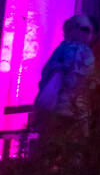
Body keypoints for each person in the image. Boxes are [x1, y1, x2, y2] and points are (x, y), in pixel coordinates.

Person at [31, 14, 96, 143]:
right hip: (70, 108)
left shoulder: (67, 49)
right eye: (84, 30)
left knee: (60, 145)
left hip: (66, 107)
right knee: (66, 145)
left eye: (88, 30)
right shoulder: (79, 51)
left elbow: (47, 74)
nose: (87, 34)